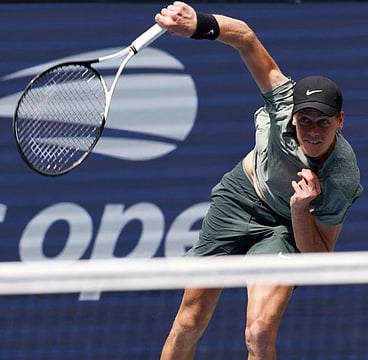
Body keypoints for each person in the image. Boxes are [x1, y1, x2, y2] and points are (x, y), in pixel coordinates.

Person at [155, 2, 363, 359]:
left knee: (260, 332)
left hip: (285, 225)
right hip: (240, 198)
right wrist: (197, 24)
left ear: (340, 121)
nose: (313, 131)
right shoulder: (282, 102)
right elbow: (246, 38)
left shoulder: (342, 175)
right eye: (305, 121)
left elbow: (319, 263)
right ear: (293, 116)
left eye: (323, 122)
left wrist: (299, 211)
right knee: (189, 320)